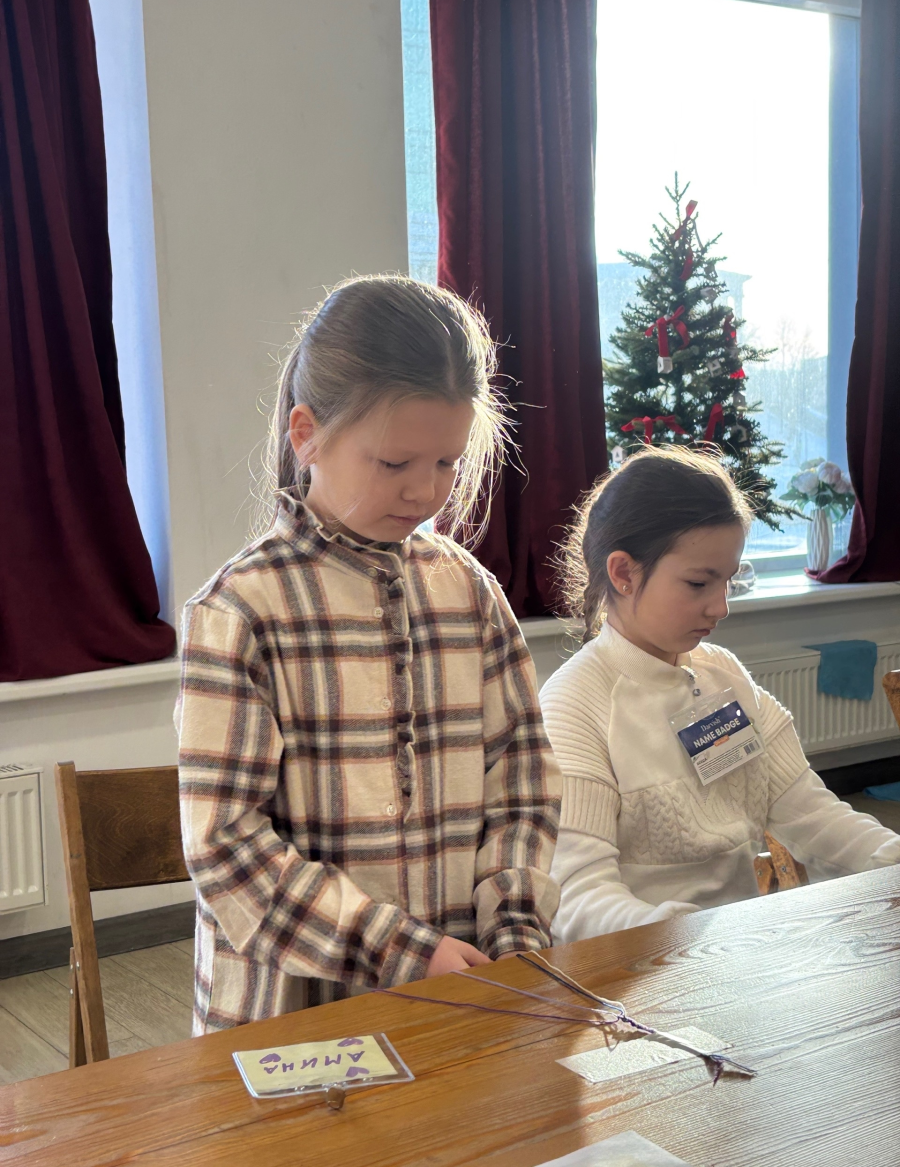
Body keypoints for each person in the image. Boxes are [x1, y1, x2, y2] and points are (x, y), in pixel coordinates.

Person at [177, 275, 560, 1032]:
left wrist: (515, 929)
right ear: (306, 434)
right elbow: (226, 848)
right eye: (393, 463)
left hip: (469, 989)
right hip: (294, 1017)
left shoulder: (470, 592)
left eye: (447, 463)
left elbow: (522, 784)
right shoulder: (239, 611)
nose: (424, 492)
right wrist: (400, 951)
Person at [541, 445, 900, 942]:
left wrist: (891, 859)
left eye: (728, 580)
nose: (721, 607)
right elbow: (577, 896)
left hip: (739, 951)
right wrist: (686, 937)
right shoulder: (574, 705)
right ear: (623, 573)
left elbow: (812, 813)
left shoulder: (722, 674)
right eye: (698, 583)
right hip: (645, 967)